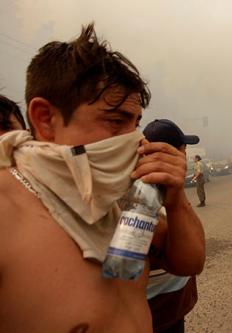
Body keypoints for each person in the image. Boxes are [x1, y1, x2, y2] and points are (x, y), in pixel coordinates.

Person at [0, 24, 205, 333]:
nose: (136, 140)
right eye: (115, 120)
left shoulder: (116, 197)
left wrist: (176, 200)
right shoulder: (7, 213)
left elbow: (189, 263)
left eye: (136, 122)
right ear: (45, 119)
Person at [143, 119, 201, 333]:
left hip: (172, 311)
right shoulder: (142, 192)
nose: (185, 154)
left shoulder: (169, 188)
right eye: (183, 149)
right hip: (156, 315)